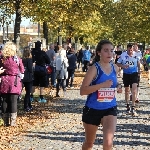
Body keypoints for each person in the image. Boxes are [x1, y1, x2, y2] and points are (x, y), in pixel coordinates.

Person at [80, 40, 122, 150]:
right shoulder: (94, 69)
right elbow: (83, 91)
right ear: (99, 52)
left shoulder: (115, 68)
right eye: (106, 50)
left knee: (108, 142)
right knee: (89, 143)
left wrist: (118, 87)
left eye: (111, 51)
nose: (110, 53)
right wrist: (102, 85)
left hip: (110, 108)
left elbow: (115, 83)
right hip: (92, 109)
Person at [0, 42, 24, 126]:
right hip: (14, 81)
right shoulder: (17, 59)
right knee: (13, 101)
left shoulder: (2, 59)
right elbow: (22, 70)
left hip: (4, 80)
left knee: (5, 101)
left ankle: (6, 121)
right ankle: (13, 122)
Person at [117, 43, 140, 116]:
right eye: (129, 50)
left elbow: (138, 63)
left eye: (132, 50)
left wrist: (139, 71)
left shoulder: (136, 54)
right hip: (126, 74)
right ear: (127, 49)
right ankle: (127, 106)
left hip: (134, 74)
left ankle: (133, 107)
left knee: (134, 90)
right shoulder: (123, 55)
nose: (130, 51)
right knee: (127, 90)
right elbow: (118, 63)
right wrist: (123, 66)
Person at [22, 48, 33, 112]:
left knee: (27, 91)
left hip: (23, 77)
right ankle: (26, 106)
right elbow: (30, 69)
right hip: (28, 77)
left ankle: (29, 105)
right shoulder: (29, 60)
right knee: (28, 92)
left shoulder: (22, 59)